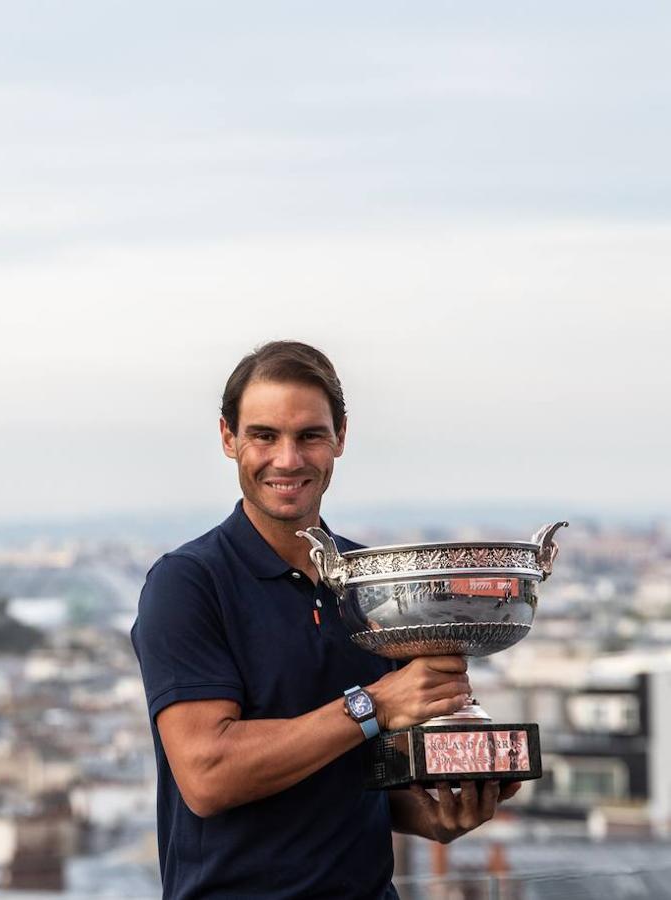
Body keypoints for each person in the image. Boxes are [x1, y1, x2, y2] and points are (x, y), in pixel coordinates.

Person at [131, 341, 520, 899]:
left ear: (340, 437)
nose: (287, 459)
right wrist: (377, 703)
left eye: (309, 435)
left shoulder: (375, 585)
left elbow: (359, 773)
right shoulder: (189, 584)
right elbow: (208, 774)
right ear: (228, 438)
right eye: (264, 435)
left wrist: (434, 814)